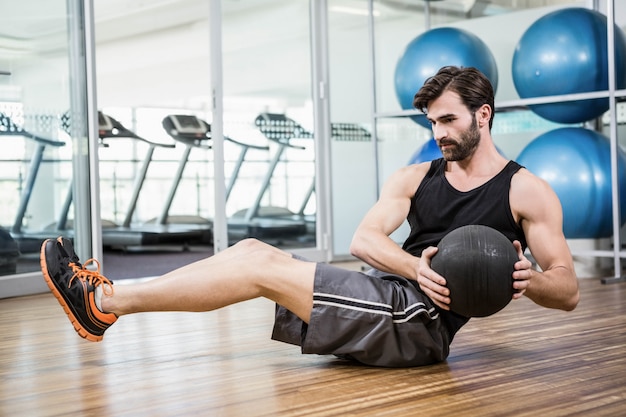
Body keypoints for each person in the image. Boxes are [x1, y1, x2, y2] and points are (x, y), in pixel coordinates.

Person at [40, 66, 579, 368]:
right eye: (430, 122)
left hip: (420, 327)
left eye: (447, 119)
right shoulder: (417, 176)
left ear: (482, 115)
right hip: (387, 294)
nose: (437, 132)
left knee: (258, 269)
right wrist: (418, 269)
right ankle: (105, 300)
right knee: (252, 252)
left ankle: (102, 303)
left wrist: (528, 281)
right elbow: (365, 239)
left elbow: (568, 289)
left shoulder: (526, 190)